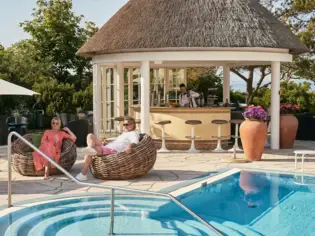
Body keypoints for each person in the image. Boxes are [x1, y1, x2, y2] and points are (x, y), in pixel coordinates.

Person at [76, 117, 140, 181]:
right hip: (107, 146)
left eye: (127, 124)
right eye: (124, 124)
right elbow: (118, 142)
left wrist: (129, 146)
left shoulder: (133, 133)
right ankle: (90, 148)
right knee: (90, 135)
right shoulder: (125, 133)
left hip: (111, 150)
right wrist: (107, 142)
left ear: (133, 125)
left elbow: (135, 142)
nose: (125, 126)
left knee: (89, 152)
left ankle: (83, 174)